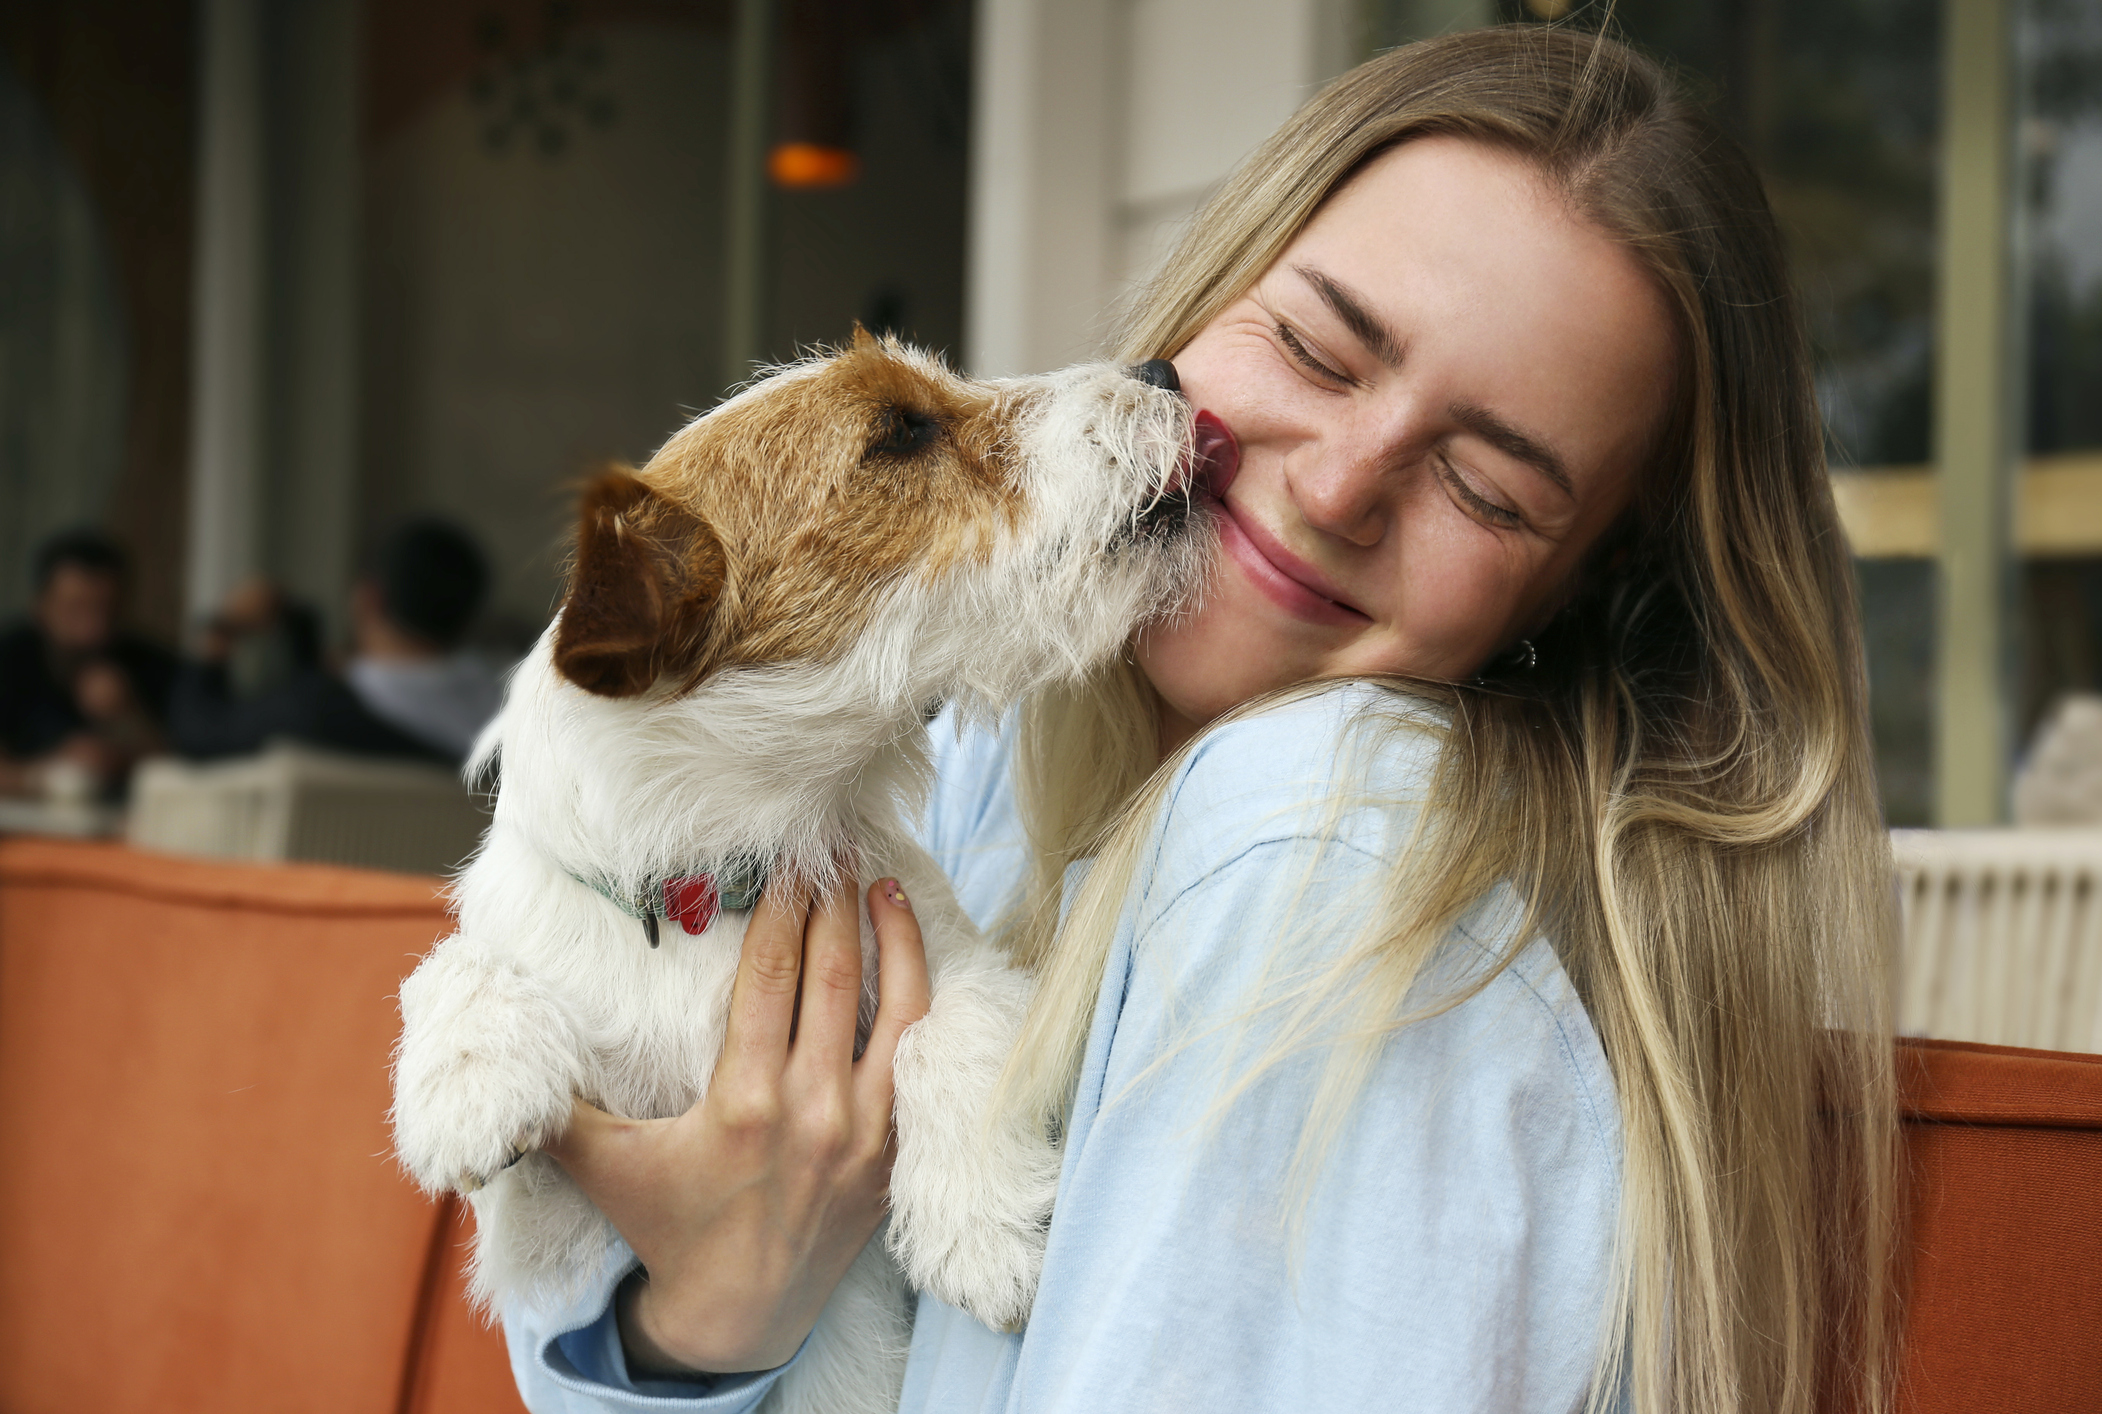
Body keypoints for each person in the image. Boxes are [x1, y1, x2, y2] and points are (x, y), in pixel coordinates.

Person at [503, 27, 1897, 1414]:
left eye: (1487, 487)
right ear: (1204, 297)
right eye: (1313, 346)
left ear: (1578, 601)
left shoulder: (1324, 832)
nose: (1342, 484)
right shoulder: (977, 760)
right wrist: (715, 1313)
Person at [169, 518, 502, 765]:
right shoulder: (507, 705)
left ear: (369, 598)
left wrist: (219, 630)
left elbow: (199, 734)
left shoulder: (317, 709)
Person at [0, 529, 178, 800]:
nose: (94, 630)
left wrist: (128, 719)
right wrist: (48, 775)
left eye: (108, 610)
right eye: (75, 610)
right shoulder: (9, 658)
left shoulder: (152, 664)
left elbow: (184, 773)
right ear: (40, 606)